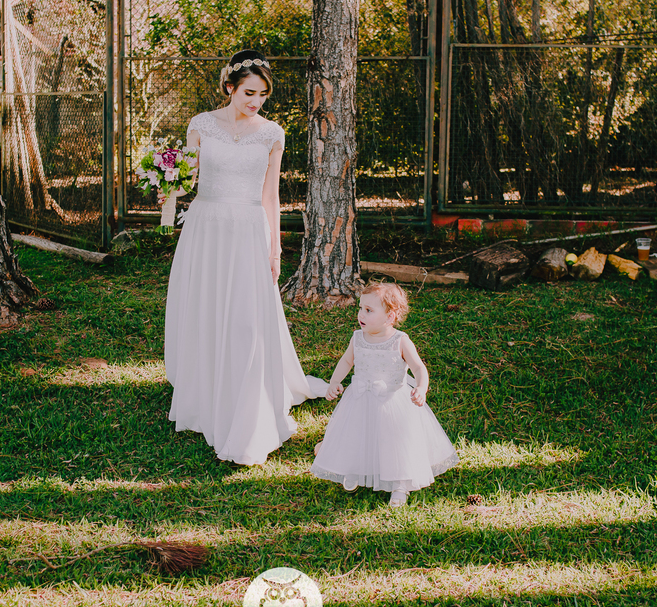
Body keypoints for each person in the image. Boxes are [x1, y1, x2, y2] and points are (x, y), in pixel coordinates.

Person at [165, 50, 328, 466]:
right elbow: (186, 180)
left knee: (245, 316)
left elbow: (270, 195)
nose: (255, 101)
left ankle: (246, 393)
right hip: (206, 227)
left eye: (262, 94)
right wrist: (165, 181)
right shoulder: (200, 125)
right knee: (206, 307)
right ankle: (205, 388)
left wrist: (274, 247)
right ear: (229, 88)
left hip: (248, 230)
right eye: (248, 92)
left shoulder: (272, 133)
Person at [311, 283, 458, 507]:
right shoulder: (357, 338)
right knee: (357, 435)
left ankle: (400, 484)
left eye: (369, 310)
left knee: (395, 442)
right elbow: (347, 361)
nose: (361, 315)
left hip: (392, 401)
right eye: (361, 308)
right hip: (360, 400)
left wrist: (421, 387)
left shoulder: (400, 341)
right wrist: (334, 381)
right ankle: (355, 469)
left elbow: (419, 368)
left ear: (390, 316)